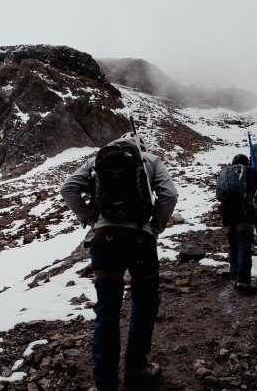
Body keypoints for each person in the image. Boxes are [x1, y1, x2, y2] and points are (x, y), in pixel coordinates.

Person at [60, 132, 178, 391]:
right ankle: (136, 369)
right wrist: (154, 228)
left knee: (107, 311)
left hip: (105, 240)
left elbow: (67, 189)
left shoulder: (95, 160)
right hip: (139, 238)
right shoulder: (150, 159)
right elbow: (169, 195)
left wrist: (92, 220)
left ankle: (106, 384)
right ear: (140, 146)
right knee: (145, 302)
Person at [217, 154, 257, 291]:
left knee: (233, 244)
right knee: (245, 242)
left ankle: (234, 277)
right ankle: (244, 281)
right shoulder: (251, 170)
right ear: (247, 162)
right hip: (244, 209)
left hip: (225, 211)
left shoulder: (225, 173)